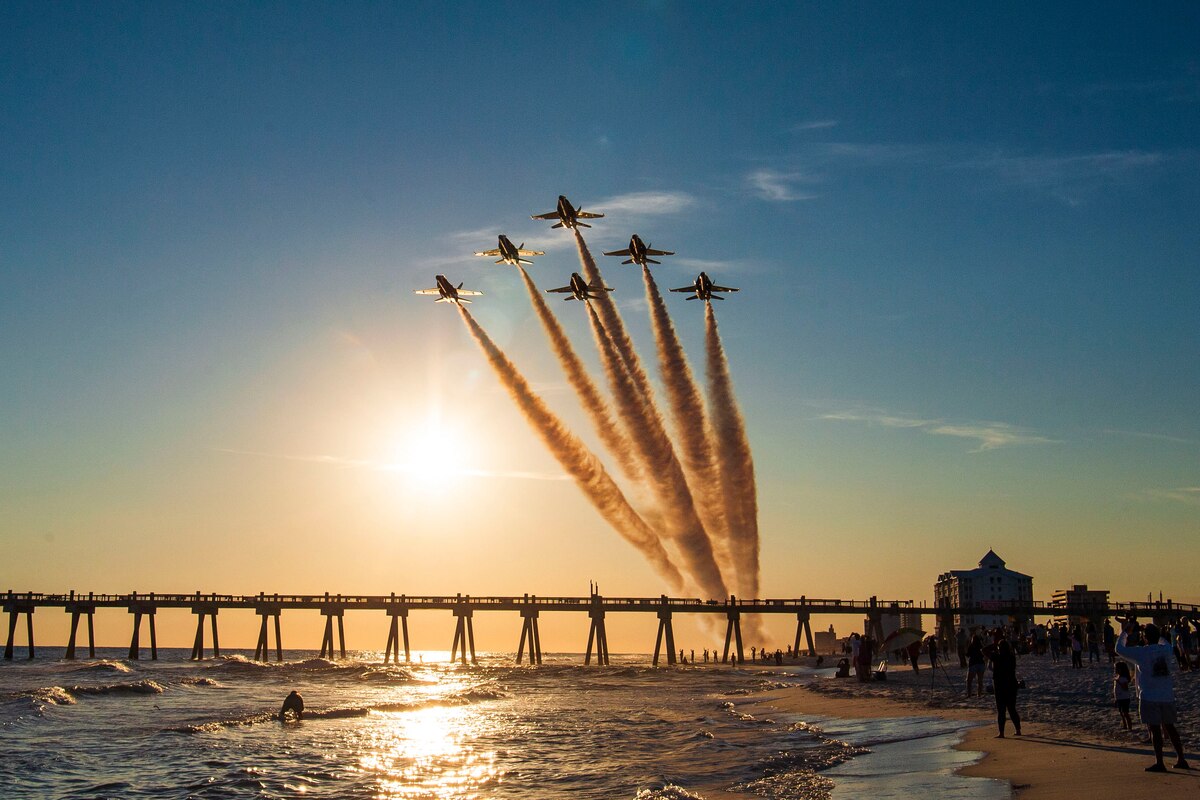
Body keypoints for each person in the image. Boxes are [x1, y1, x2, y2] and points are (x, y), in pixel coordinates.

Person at [1116, 620, 1191, 772]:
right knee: (1170, 727)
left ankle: (1160, 762)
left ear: (1145, 638)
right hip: (1167, 695)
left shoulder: (1142, 652)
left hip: (1149, 695)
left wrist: (1126, 632)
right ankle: (1181, 758)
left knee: (1154, 729)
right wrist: (1155, 633)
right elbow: (1166, 642)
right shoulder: (1166, 650)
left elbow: (1119, 649)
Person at [983, 639, 1021, 737]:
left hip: (999, 685)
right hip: (1011, 684)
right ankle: (1018, 729)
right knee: (1012, 708)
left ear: (999, 648)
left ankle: (1002, 732)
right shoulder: (1012, 657)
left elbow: (983, 650)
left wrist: (994, 645)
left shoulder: (997, 657)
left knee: (1001, 710)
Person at [1114, 661, 1134, 731]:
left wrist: (1118, 682)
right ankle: (1125, 725)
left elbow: (1125, 688)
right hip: (1119, 698)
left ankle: (1130, 727)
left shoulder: (1123, 678)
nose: (1115, 670)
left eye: (1116, 668)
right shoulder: (1118, 677)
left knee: (1125, 713)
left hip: (1125, 698)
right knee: (1121, 713)